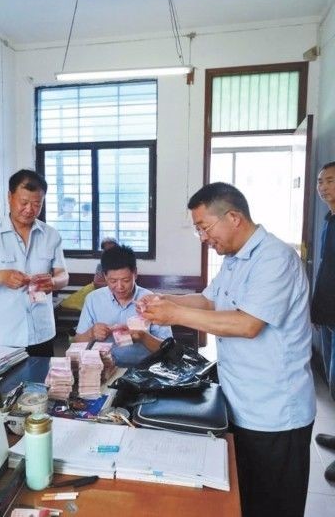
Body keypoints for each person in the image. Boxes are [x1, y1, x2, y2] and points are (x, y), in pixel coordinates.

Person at [138, 182, 316, 517]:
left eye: (204, 227)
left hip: (275, 412)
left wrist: (174, 315)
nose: (203, 237)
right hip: (240, 402)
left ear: (233, 217)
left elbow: (248, 324)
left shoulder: (275, 258)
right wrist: (164, 299)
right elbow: (209, 301)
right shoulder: (235, 259)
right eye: (198, 230)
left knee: (274, 505)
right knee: (244, 499)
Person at [0, 169, 69, 356]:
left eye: (37, 204)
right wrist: (2, 276)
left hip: (41, 333)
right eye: (24, 202)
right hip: (1, 335)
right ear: (9, 197)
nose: (29, 210)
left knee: (41, 375)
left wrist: (53, 282)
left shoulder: (51, 235)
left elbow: (63, 275)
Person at [73, 244, 172, 367]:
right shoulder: (93, 299)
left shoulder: (151, 300)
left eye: (126, 280)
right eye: (113, 281)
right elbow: (77, 342)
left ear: (135, 273)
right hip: (104, 368)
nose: (119, 287)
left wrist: (143, 337)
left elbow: (169, 349)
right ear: (105, 276)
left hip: (142, 369)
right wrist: (91, 333)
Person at [311, 160, 335, 482]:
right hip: (329, 314)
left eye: (330, 180)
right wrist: (317, 310)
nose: (323, 186)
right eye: (320, 182)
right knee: (333, 380)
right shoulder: (329, 220)